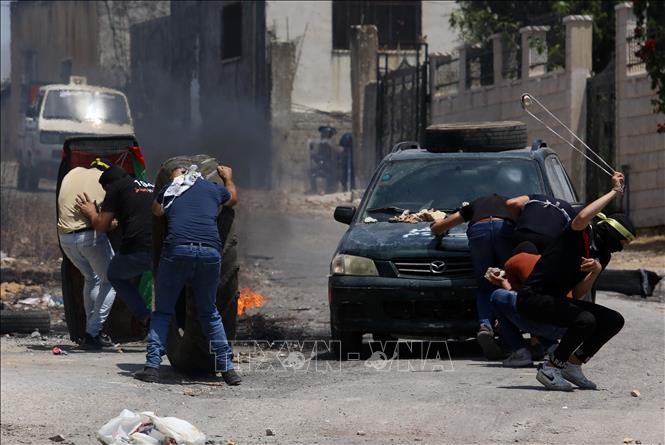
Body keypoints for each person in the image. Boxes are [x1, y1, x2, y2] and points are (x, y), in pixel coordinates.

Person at [515, 171, 636, 391]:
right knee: (585, 320)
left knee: (613, 320)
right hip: (533, 298)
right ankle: (550, 368)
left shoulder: (603, 255)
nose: (620, 248)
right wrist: (614, 192)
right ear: (611, 232)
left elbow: (578, 294)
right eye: (621, 241)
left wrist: (595, 271)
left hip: (556, 300)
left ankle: (572, 364)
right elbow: (581, 217)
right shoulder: (581, 233)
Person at [133, 163, 241, 385]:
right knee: (209, 313)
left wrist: (173, 183)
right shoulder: (211, 188)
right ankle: (228, 370)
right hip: (210, 252)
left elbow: (156, 211)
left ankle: (152, 367)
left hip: (178, 250)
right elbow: (232, 199)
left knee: (163, 312)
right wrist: (228, 177)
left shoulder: (172, 189)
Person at [430, 194, 515, 360]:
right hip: (505, 230)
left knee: (485, 284)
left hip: (479, 231)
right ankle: (508, 334)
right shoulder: (511, 204)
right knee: (507, 280)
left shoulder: (475, 205)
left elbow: (439, 227)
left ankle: (485, 325)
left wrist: (437, 227)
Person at [77, 160, 154, 327]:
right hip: (161, 249)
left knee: (114, 275)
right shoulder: (149, 186)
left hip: (137, 248)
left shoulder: (116, 188)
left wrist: (91, 212)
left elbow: (101, 226)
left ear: (108, 186)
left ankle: (145, 317)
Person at [58, 166, 116, 349]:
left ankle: (91, 329)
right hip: (89, 238)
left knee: (92, 278)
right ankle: (93, 332)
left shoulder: (72, 173)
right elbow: (106, 220)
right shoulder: (103, 181)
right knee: (112, 279)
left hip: (65, 238)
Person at [488, 241, 566, 367]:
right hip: (566, 326)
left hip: (544, 322)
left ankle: (521, 353)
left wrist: (502, 282)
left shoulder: (514, 261)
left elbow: (517, 300)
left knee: (498, 296)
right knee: (535, 308)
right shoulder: (549, 261)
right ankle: (554, 349)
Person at [506, 194, 577, 253]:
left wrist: (518, 221)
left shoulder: (536, 197)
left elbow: (511, 203)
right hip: (549, 240)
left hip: (523, 232)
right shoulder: (569, 208)